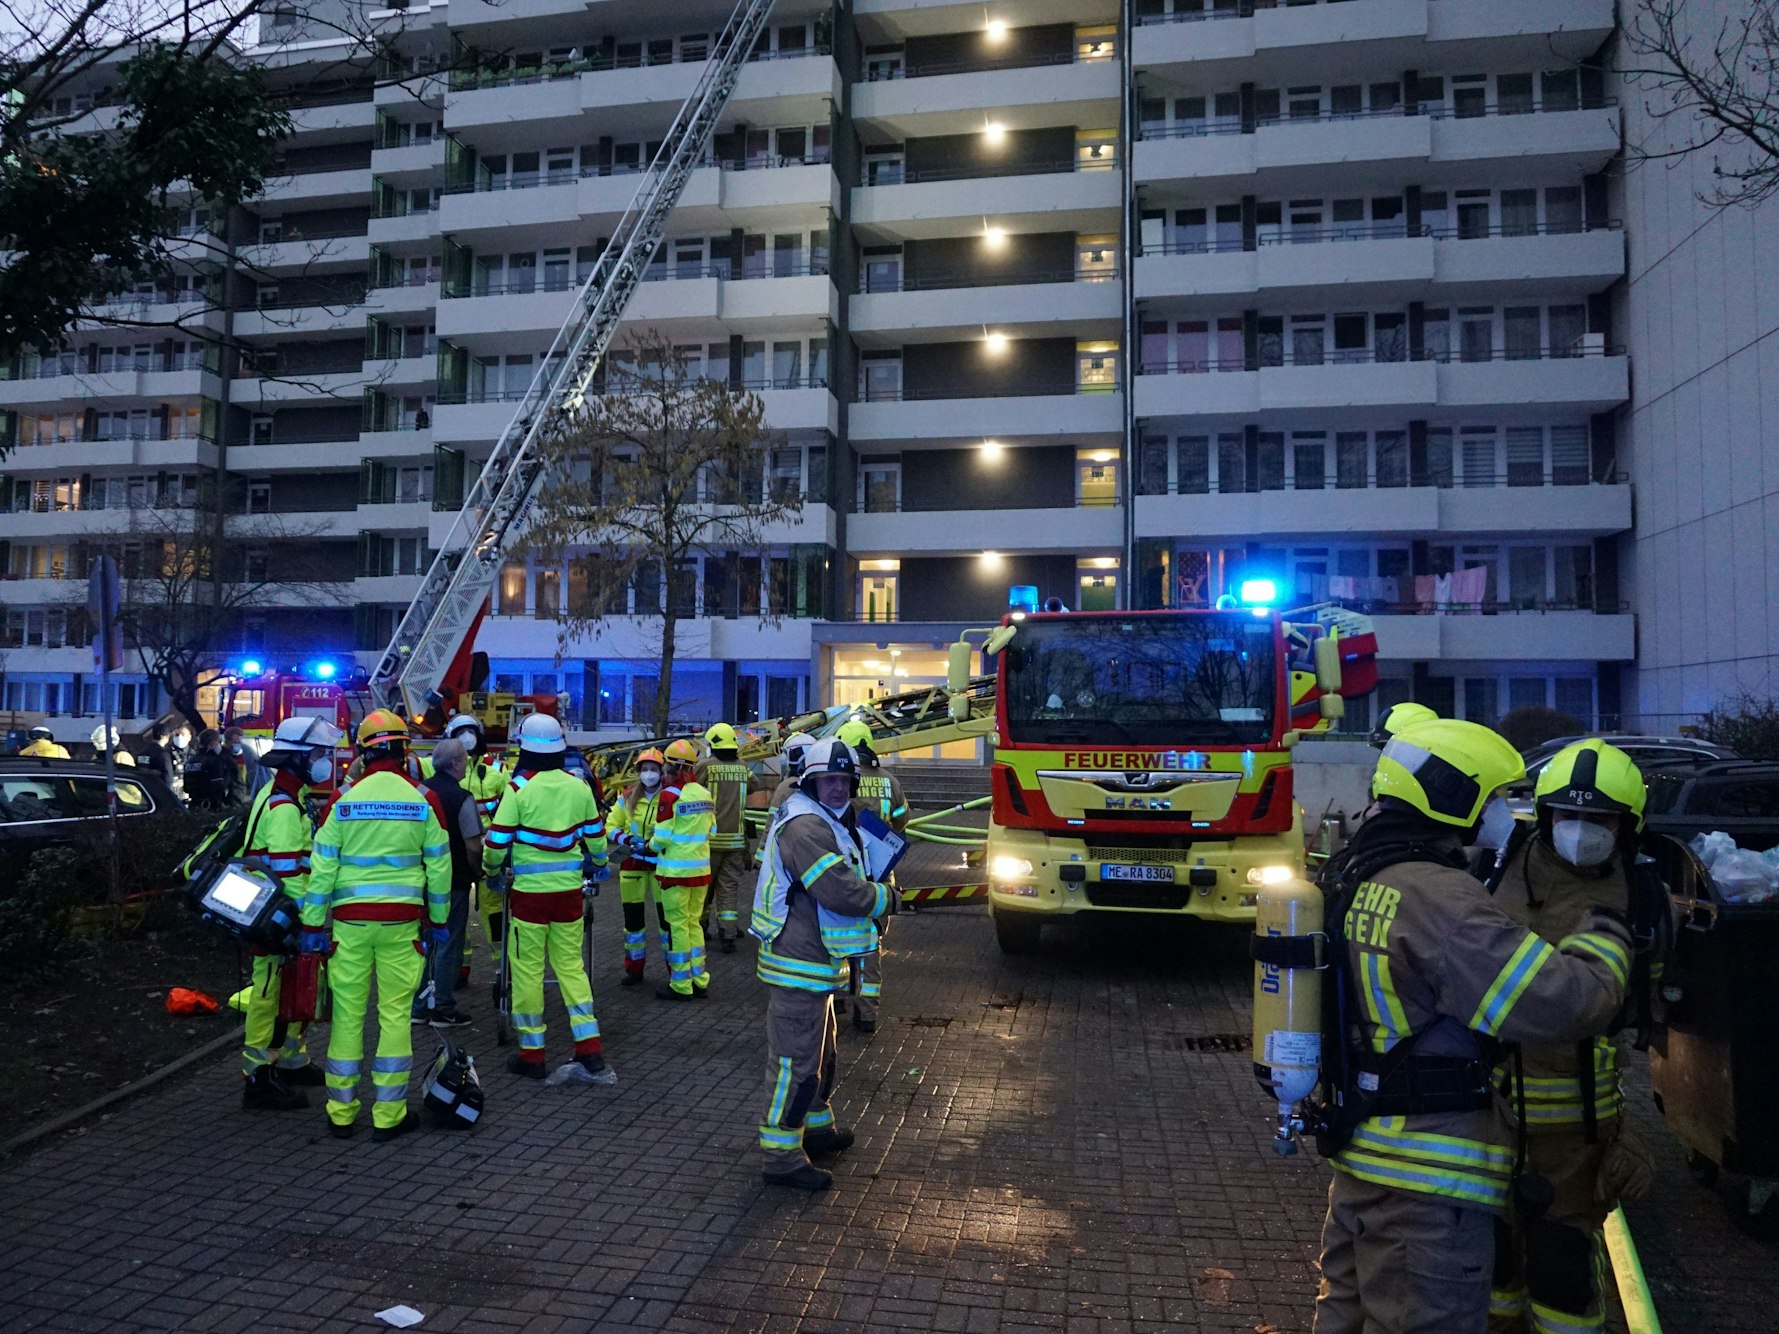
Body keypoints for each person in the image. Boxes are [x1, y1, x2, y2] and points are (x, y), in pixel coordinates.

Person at [1312, 719, 1634, 1334]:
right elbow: (1562, 1001)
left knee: (1345, 1318)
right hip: (1427, 1186)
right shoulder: (1442, 900)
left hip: (1364, 1159)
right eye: (1494, 797)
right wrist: (1605, 936)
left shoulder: (1357, 872)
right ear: (1454, 797)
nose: (1504, 814)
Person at [1487, 740, 1656, 1334]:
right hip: (1491, 1111)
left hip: (1579, 1129)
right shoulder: (1502, 864)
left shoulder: (1641, 894)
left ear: (1626, 826)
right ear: (1545, 813)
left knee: (1563, 1269)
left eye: (1600, 819)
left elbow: (1644, 1010)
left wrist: (1626, 1130)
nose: (1581, 830)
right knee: (1491, 1262)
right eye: (1568, 814)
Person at [750, 737, 894, 1191]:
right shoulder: (806, 827)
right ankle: (781, 1157)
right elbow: (840, 890)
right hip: (798, 963)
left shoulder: (829, 818)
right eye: (829, 780)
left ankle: (814, 1128)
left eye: (845, 780)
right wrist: (886, 898)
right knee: (794, 1061)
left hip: (817, 961)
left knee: (820, 1052)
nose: (838, 788)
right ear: (810, 783)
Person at [303, 710, 452, 1141]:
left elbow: (322, 870)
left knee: (348, 1016)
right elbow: (439, 868)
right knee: (395, 1016)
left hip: (349, 925)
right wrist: (438, 920)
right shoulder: (424, 800)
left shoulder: (342, 801)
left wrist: (313, 926)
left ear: (362, 753)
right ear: (405, 750)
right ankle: (389, 1116)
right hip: (402, 926)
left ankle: (341, 1114)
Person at [482, 713, 613, 1079]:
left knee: (527, 972)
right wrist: (600, 864)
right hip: (568, 894)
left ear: (525, 748)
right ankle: (590, 1049)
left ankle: (532, 1054)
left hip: (529, 898)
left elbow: (496, 844)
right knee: (571, 968)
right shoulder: (578, 786)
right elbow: (596, 839)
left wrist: (491, 871)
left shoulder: (518, 789)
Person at [239, 716, 343, 1111]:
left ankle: (292, 1060)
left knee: (297, 990)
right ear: (297, 758)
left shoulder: (287, 796)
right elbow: (288, 876)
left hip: (280, 916)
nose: (323, 761)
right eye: (317, 754)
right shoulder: (283, 806)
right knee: (269, 996)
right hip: (279, 919)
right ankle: (258, 1077)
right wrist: (308, 920)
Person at [837, 718, 909, 1035]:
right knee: (871, 944)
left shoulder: (839, 781)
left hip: (845, 873)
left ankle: (839, 998)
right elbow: (902, 818)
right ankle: (866, 1013)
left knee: (838, 938)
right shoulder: (889, 781)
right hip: (880, 876)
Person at [413, 737, 484, 1030]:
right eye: (465, 759)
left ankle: (418, 1006)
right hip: (453, 881)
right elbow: (473, 846)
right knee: (448, 942)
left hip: (418, 881)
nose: (467, 764)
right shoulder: (462, 797)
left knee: (423, 943)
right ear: (455, 763)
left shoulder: (418, 792)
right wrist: (477, 872)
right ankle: (442, 1007)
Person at [442, 713, 508, 988]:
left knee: (494, 915)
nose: (467, 738)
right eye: (461, 733)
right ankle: (459, 967)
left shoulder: (498, 771)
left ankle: (501, 972)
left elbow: (509, 809)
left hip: (487, 852)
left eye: (470, 732)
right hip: (456, 853)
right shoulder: (443, 768)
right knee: (456, 915)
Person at [649, 738, 715, 1001]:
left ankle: (681, 984)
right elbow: (712, 830)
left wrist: (648, 845)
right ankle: (699, 979)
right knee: (693, 924)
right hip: (701, 872)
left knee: (677, 927)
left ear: (670, 767)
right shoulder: (704, 793)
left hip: (675, 874)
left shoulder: (669, 795)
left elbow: (662, 839)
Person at [607, 748, 668, 987]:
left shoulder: (670, 797)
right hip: (632, 864)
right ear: (639, 772)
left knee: (667, 922)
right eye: (645, 769)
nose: (649, 774)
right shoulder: (627, 796)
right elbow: (611, 826)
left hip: (661, 865)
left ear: (661, 771)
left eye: (653, 769)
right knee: (633, 922)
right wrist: (627, 839)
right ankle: (634, 969)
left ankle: (675, 970)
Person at [696, 722, 754, 953]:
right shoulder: (743, 767)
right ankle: (728, 934)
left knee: (704, 888)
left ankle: (700, 927)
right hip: (735, 842)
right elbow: (754, 785)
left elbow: (690, 788)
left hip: (708, 841)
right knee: (728, 888)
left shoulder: (705, 766)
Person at [185, 729, 241, 810]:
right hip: (211, 808)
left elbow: (186, 788)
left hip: (194, 806)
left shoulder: (190, 761)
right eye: (218, 741)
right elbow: (218, 788)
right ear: (212, 742)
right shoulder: (214, 761)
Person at [225, 726, 268, 797]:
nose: (237, 743)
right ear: (227, 741)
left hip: (244, 791)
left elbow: (254, 772)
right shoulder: (223, 754)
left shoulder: (248, 752)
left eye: (239, 741)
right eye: (235, 742)